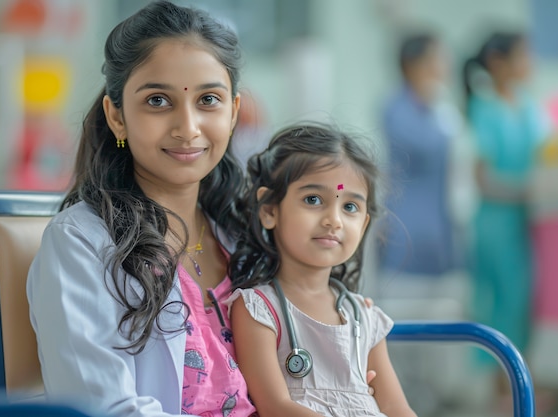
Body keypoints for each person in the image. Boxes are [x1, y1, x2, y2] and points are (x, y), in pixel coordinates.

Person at [27, 2, 257, 416]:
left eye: (208, 100)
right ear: (117, 116)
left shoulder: (243, 232)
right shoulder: (80, 243)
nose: (188, 128)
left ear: (234, 112)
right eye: (157, 101)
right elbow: (102, 408)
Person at [227, 124, 417, 417]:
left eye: (350, 207)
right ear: (269, 210)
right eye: (313, 200)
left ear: (364, 224)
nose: (334, 220)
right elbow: (276, 407)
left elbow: (396, 407)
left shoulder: (363, 317)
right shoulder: (258, 309)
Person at [462, 31, 551, 380]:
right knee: (503, 303)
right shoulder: (483, 108)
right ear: (499, 63)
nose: (529, 63)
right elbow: (483, 179)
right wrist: (526, 189)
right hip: (495, 223)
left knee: (527, 303)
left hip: (528, 222)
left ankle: (522, 384)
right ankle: (502, 389)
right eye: (522, 55)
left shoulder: (527, 103)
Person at [379, 32, 468, 278]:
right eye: (436, 59)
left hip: (440, 225)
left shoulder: (439, 109)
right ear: (412, 65)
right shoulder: (396, 109)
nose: (444, 66)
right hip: (409, 223)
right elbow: (426, 146)